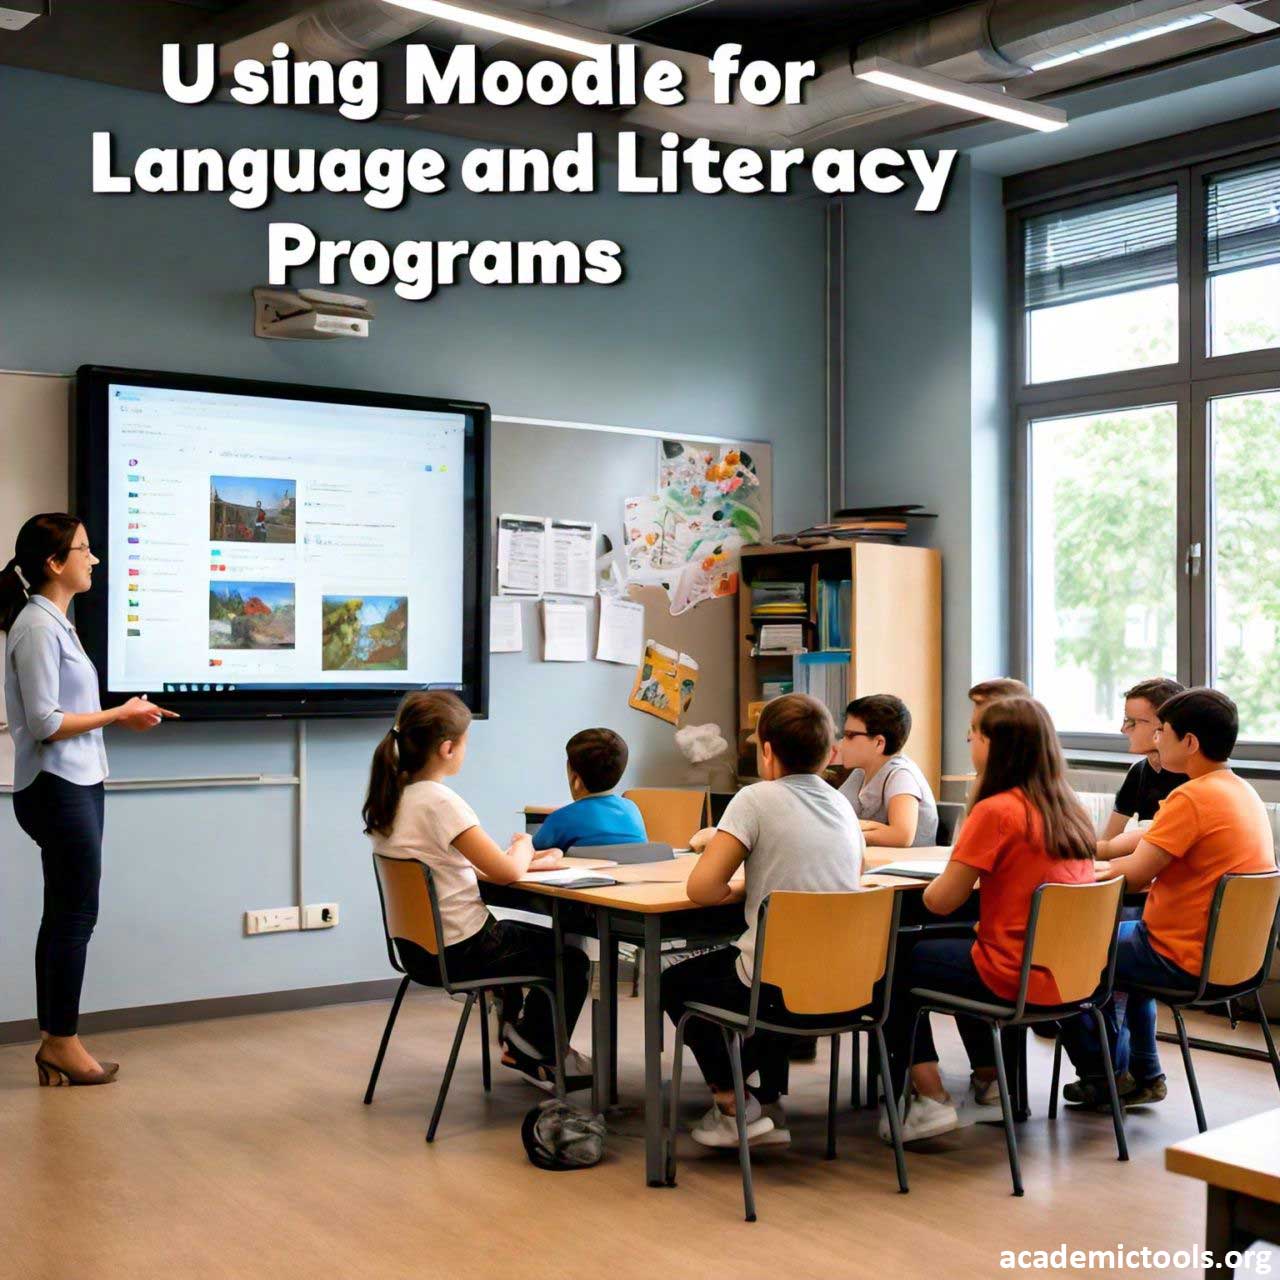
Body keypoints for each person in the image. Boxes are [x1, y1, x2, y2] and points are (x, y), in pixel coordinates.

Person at [3, 513, 177, 1087]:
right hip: (55, 786)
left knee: (70, 914)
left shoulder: (55, 622)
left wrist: (122, 718)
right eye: (84, 549)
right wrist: (120, 712)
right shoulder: (36, 626)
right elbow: (46, 721)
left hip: (77, 781)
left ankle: (60, 1039)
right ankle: (61, 1043)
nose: (94, 559)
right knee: (73, 916)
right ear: (55, 563)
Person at [882, 696, 1096, 1142]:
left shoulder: (998, 810)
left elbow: (941, 901)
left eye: (974, 733)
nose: (967, 740)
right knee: (956, 949)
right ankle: (989, 1082)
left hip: (1012, 973)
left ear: (996, 745)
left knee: (892, 961)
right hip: (1070, 974)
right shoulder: (1069, 805)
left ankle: (929, 1098)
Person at [660, 693, 864, 1149]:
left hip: (775, 988)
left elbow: (701, 890)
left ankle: (733, 1104)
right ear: (829, 753)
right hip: (846, 984)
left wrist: (746, 888)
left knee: (675, 982)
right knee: (767, 965)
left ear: (767, 750)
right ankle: (763, 1097)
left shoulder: (754, 798)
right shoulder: (842, 805)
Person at [363, 689, 592, 1091]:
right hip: (467, 948)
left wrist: (527, 861)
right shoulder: (441, 802)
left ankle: (521, 1035)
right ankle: (533, 1048)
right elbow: (503, 872)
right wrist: (524, 847)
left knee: (543, 950)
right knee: (570, 961)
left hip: (419, 953)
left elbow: (456, 863)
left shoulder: (394, 796)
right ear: (448, 748)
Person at [1059, 688, 1275, 1108]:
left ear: (1189, 743)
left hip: (1179, 954)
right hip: (1232, 959)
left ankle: (1105, 1076)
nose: (1156, 741)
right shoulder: (1241, 791)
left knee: (1067, 951)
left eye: (1162, 733)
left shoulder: (1191, 797)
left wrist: (1077, 870)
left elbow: (1136, 876)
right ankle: (1144, 1073)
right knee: (1124, 941)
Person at [1096, 677, 1187, 860]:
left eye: (1133, 722)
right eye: (1125, 720)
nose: (1123, 729)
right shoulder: (1138, 771)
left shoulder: (1195, 777)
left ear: (1165, 726)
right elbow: (1108, 842)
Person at [838, 694, 939, 847]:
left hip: (900, 867)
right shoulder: (860, 773)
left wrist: (848, 831)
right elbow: (835, 815)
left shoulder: (901, 775)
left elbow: (902, 835)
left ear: (879, 743)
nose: (842, 743)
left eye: (849, 736)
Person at [532, 727, 646, 852]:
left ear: (576, 780)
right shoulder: (632, 810)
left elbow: (531, 854)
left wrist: (523, 842)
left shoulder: (561, 819)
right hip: (632, 872)